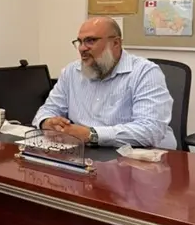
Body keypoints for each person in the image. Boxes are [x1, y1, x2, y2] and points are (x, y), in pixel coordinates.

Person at [33, 17, 176, 149]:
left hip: (139, 156)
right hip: (85, 154)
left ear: (115, 43)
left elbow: (150, 131)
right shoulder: (71, 71)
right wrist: (47, 122)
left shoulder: (145, 72)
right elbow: (48, 109)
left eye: (90, 41)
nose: (82, 48)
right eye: (80, 42)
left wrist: (91, 135)